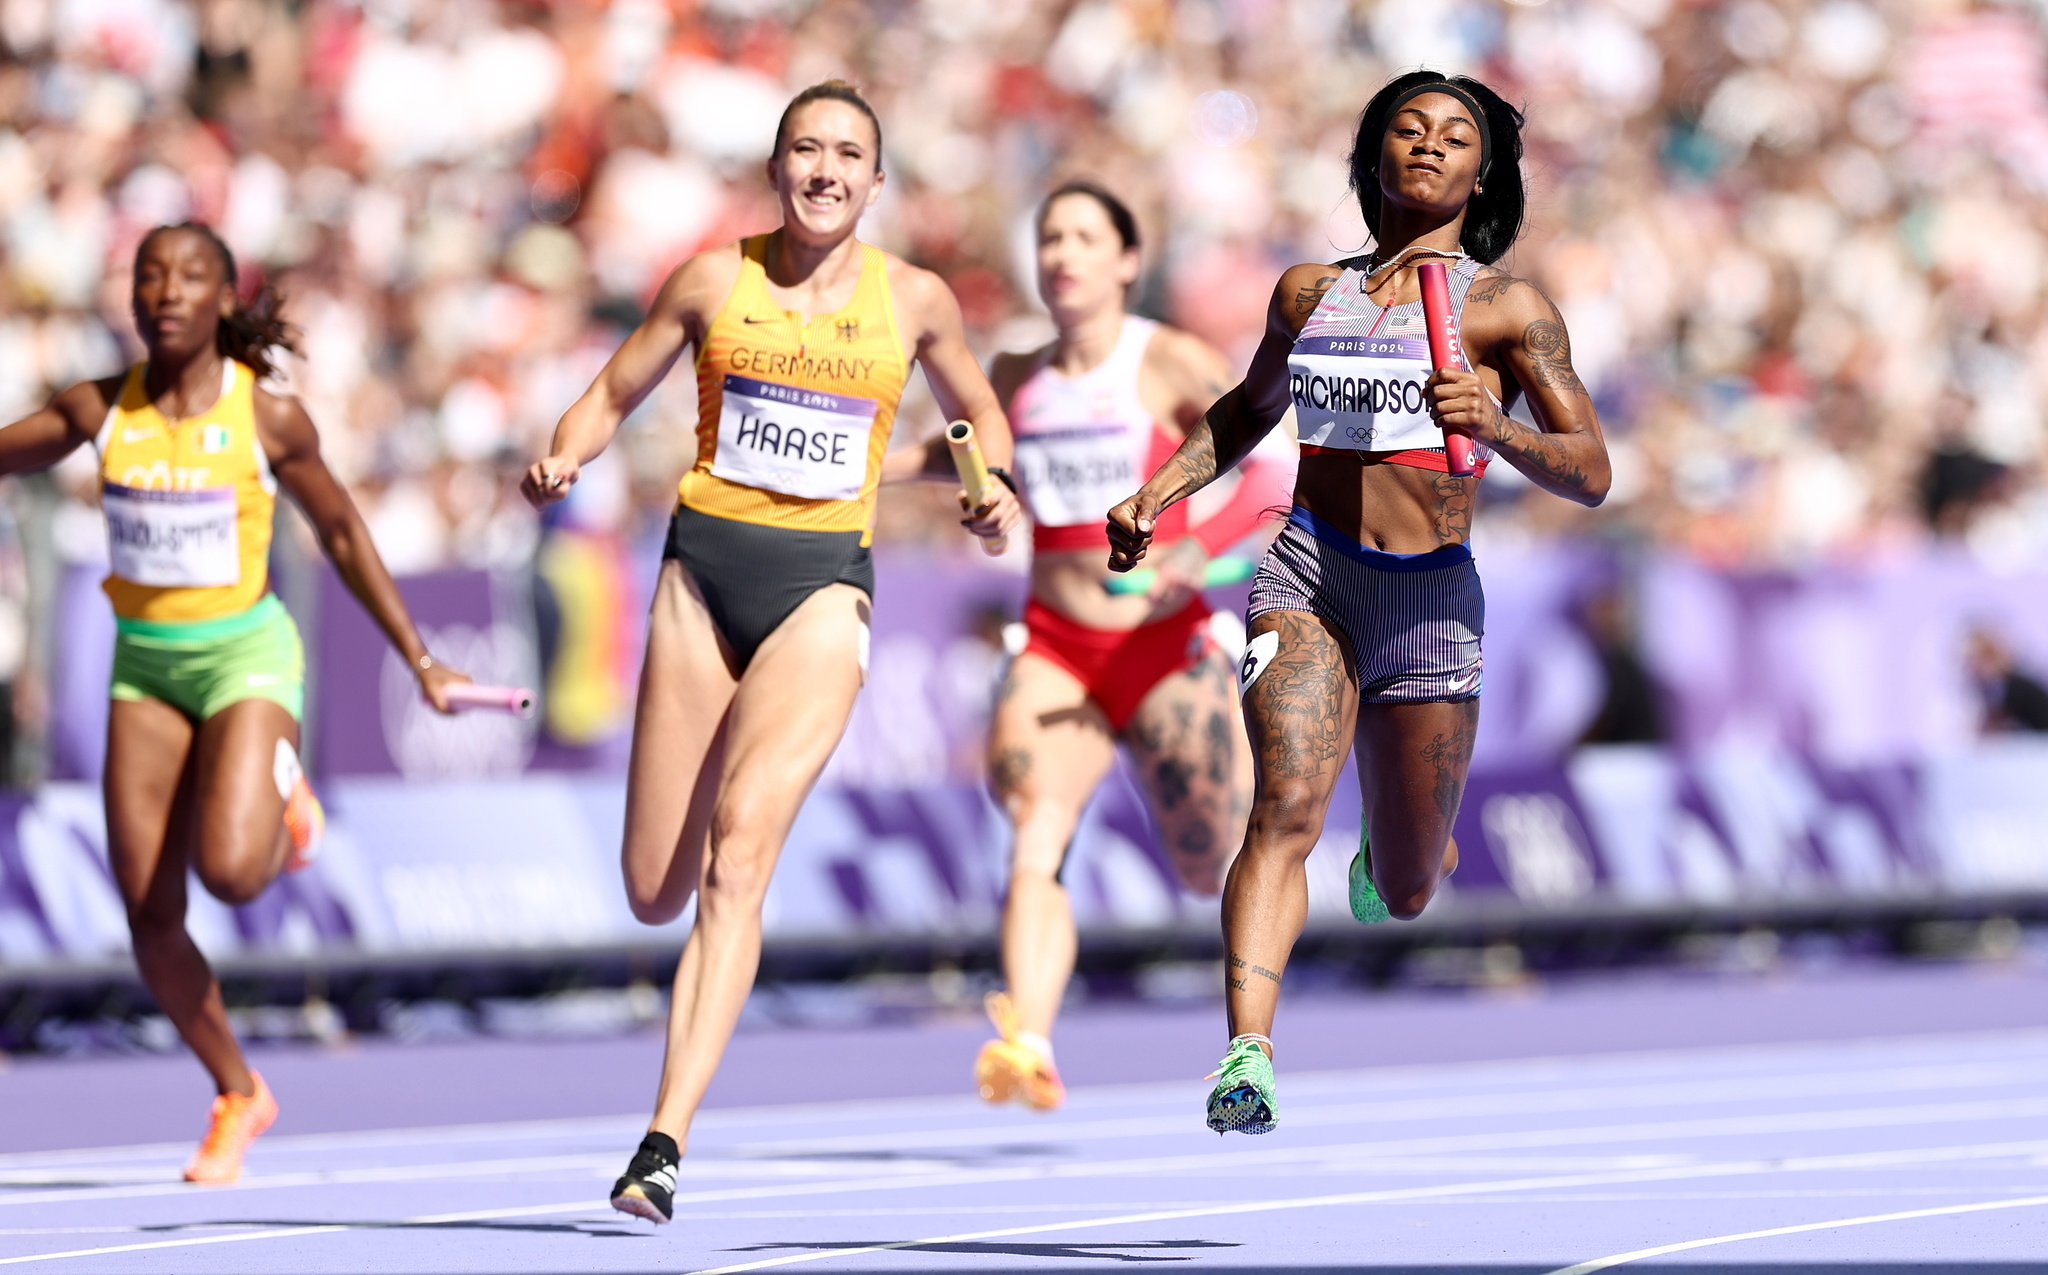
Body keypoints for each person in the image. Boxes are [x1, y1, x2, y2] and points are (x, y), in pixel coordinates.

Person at [522, 80, 1022, 1224]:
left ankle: (662, 1141)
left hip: (818, 593)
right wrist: (565, 460)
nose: (826, 170)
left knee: (737, 857)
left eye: (849, 153)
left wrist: (985, 490)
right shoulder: (712, 280)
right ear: (775, 166)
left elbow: (980, 422)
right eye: (807, 148)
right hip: (697, 584)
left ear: (876, 180)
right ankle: (690, 952)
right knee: (654, 887)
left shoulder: (917, 300)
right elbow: (606, 393)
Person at [1106, 71, 1611, 1134]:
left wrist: (1496, 425)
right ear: (1371, 156)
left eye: (1454, 137)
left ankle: (1393, 856)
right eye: (1407, 129)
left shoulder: (1507, 309)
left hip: (1429, 603)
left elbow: (1590, 470)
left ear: (1482, 175)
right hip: (1310, 576)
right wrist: (1157, 493)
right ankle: (1246, 1053)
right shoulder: (1306, 294)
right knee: (1282, 811)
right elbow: (1246, 411)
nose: (1427, 146)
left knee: (1415, 884)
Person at [0, 222, 464, 1181]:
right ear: (131, 299)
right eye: (150, 277)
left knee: (234, 874)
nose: (167, 291)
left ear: (221, 298)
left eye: (190, 277)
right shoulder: (100, 408)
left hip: (245, 656)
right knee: (149, 915)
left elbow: (339, 533)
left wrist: (420, 658)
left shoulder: (267, 418)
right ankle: (239, 1091)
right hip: (146, 668)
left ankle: (280, 796)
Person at [927, 181, 1290, 1111]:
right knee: (1033, 839)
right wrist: (885, 480)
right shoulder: (1015, 375)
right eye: (1050, 236)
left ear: (1127, 259)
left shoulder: (1166, 360)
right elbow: (959, 460)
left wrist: (1198, 555)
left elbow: (1276, 475)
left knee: (1212, 860)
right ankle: (1030, 1043)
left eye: (1087, 236)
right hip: (1057, 651)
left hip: (1164, 648)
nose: (1064, 254)